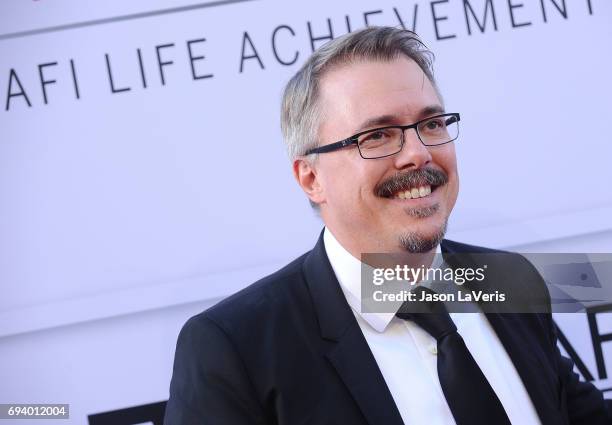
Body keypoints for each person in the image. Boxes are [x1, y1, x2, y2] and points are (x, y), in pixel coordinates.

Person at [163, 27, 611, 425]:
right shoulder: (236, 349)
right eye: (377, 135)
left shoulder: (508, 279)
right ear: (311, 178)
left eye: (431, 124)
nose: (417, 153)